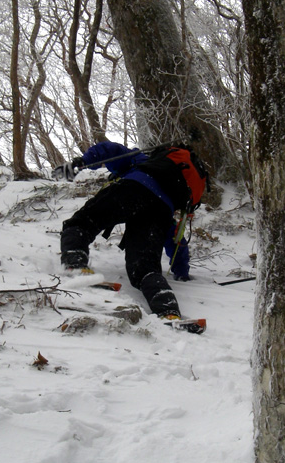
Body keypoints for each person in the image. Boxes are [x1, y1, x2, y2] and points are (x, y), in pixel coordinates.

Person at [53, 140, 206, 333]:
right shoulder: (169, 185)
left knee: (81, 223)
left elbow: (110, 150)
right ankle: (169, 313)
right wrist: (181, 271)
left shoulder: (141, 160)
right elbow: (176, 240)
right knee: (145, 270)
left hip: (134, 189)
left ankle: (75, 265)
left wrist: (81, 162)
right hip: (161, 210)